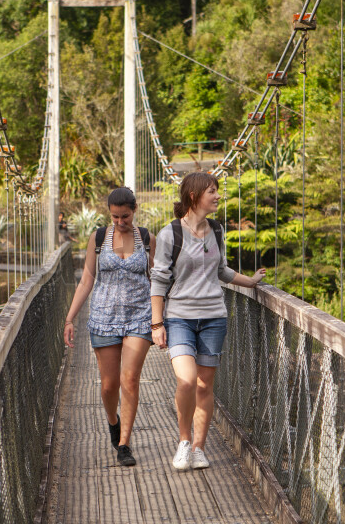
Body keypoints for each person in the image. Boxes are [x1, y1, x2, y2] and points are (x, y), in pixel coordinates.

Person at [150, 172, 265, 471]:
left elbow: (222, 271)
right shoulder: (169, 234)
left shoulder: (216, 230)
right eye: (212, 192)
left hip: (214, 316)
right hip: (179, 318)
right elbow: (159, 280)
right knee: (186, 380)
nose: (217, 196)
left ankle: (200, 448)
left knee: (204, 386)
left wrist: (250, 282)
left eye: (217, 191)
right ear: (194, 196)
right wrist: (156, 324)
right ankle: (184, 441)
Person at [63, 187, 155, 467]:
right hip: (103, 318)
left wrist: (162, 320)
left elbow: (160, 279)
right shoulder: (99, 237)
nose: (120, 222)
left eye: (124, 216)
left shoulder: (148, 238)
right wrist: (69, 318)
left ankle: (124, 443)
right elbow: (87, 278)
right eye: (114, 217)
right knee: (108, 386)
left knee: (129, 379)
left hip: (140, 316)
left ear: (134, 210)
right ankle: (113, 422)